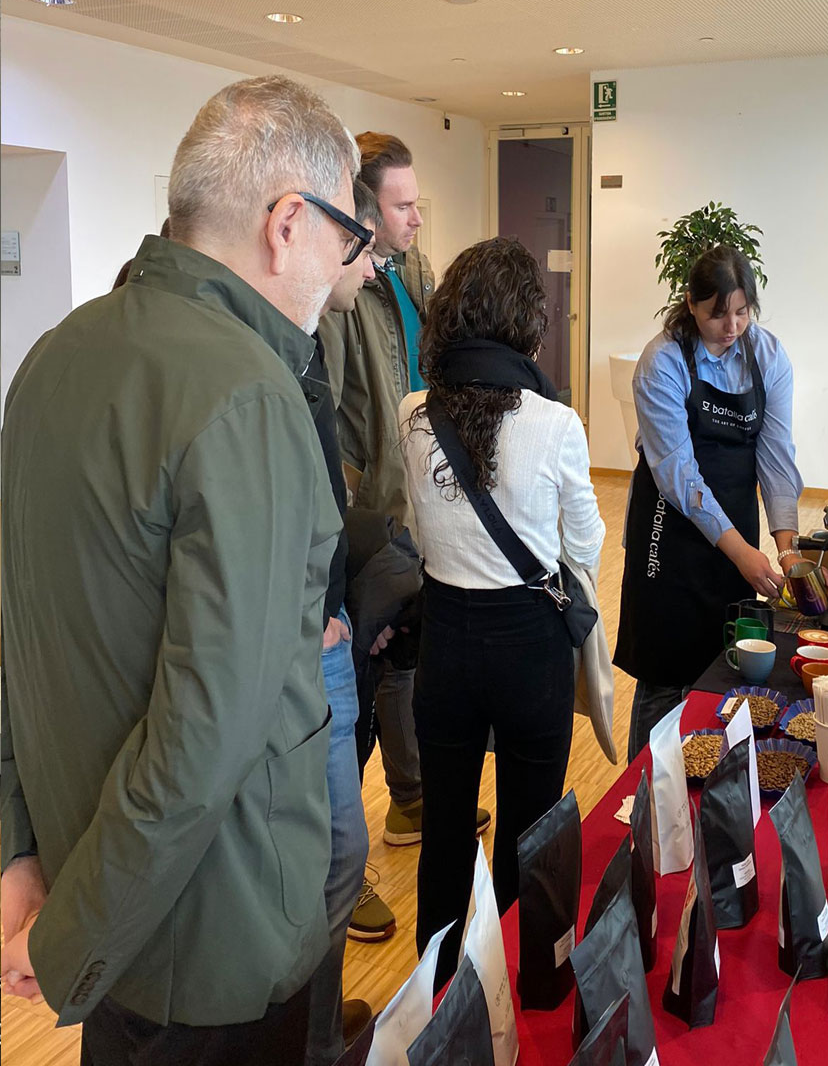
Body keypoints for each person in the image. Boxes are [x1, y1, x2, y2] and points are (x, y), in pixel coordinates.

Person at [0, 75, 367, 1066]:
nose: (342, 273)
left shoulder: (49, 357)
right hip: (221, 939)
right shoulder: (250, 392)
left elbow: (14, 638)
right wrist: (69, 934)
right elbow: (206, 737)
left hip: (103, 901)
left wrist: (20, 856)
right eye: (346, 240)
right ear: (289, 222)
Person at [399, 237, 605, 983]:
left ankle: (438, 990)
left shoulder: (411, 411)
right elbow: (584, 543)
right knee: (531, 824)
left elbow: (422, 532)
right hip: (529, 646)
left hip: (447, 641)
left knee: (446, 833)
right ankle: (530, 989)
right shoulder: (556, 423)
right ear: (525, 323)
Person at [320, 132, 489, 942]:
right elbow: (337, 427)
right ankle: (338, 877)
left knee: (404, 658)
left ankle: (412, 800)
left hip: (421, 508)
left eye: (418, 202)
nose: (417, 217)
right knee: (353, 686)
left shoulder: (411, 271)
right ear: (362, 211)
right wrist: (366, 526)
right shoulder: (340, 295)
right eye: (401, 205)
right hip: (373, 520)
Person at [613, 245, 805, 762]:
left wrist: (786, 549)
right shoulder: (662, 362)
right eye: (718, 312)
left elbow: (776, 456)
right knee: (663, 675)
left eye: (742, 311)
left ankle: (711, 792)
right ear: (692, 304)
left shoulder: (767, 356)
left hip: (733, 526)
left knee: (725, 668)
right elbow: (679, 477)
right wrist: (741, 551)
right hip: (668, 535)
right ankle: (641, 800)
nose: (732, 325)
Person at [303, 177, 379, 1066]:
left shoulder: (303, 340)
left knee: (333, 846)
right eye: (356, 233)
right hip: (308, 635)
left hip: (328, 611)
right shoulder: (281, 348)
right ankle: (313, 1041)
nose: (366, 256)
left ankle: (315, 1032)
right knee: (331, 850)